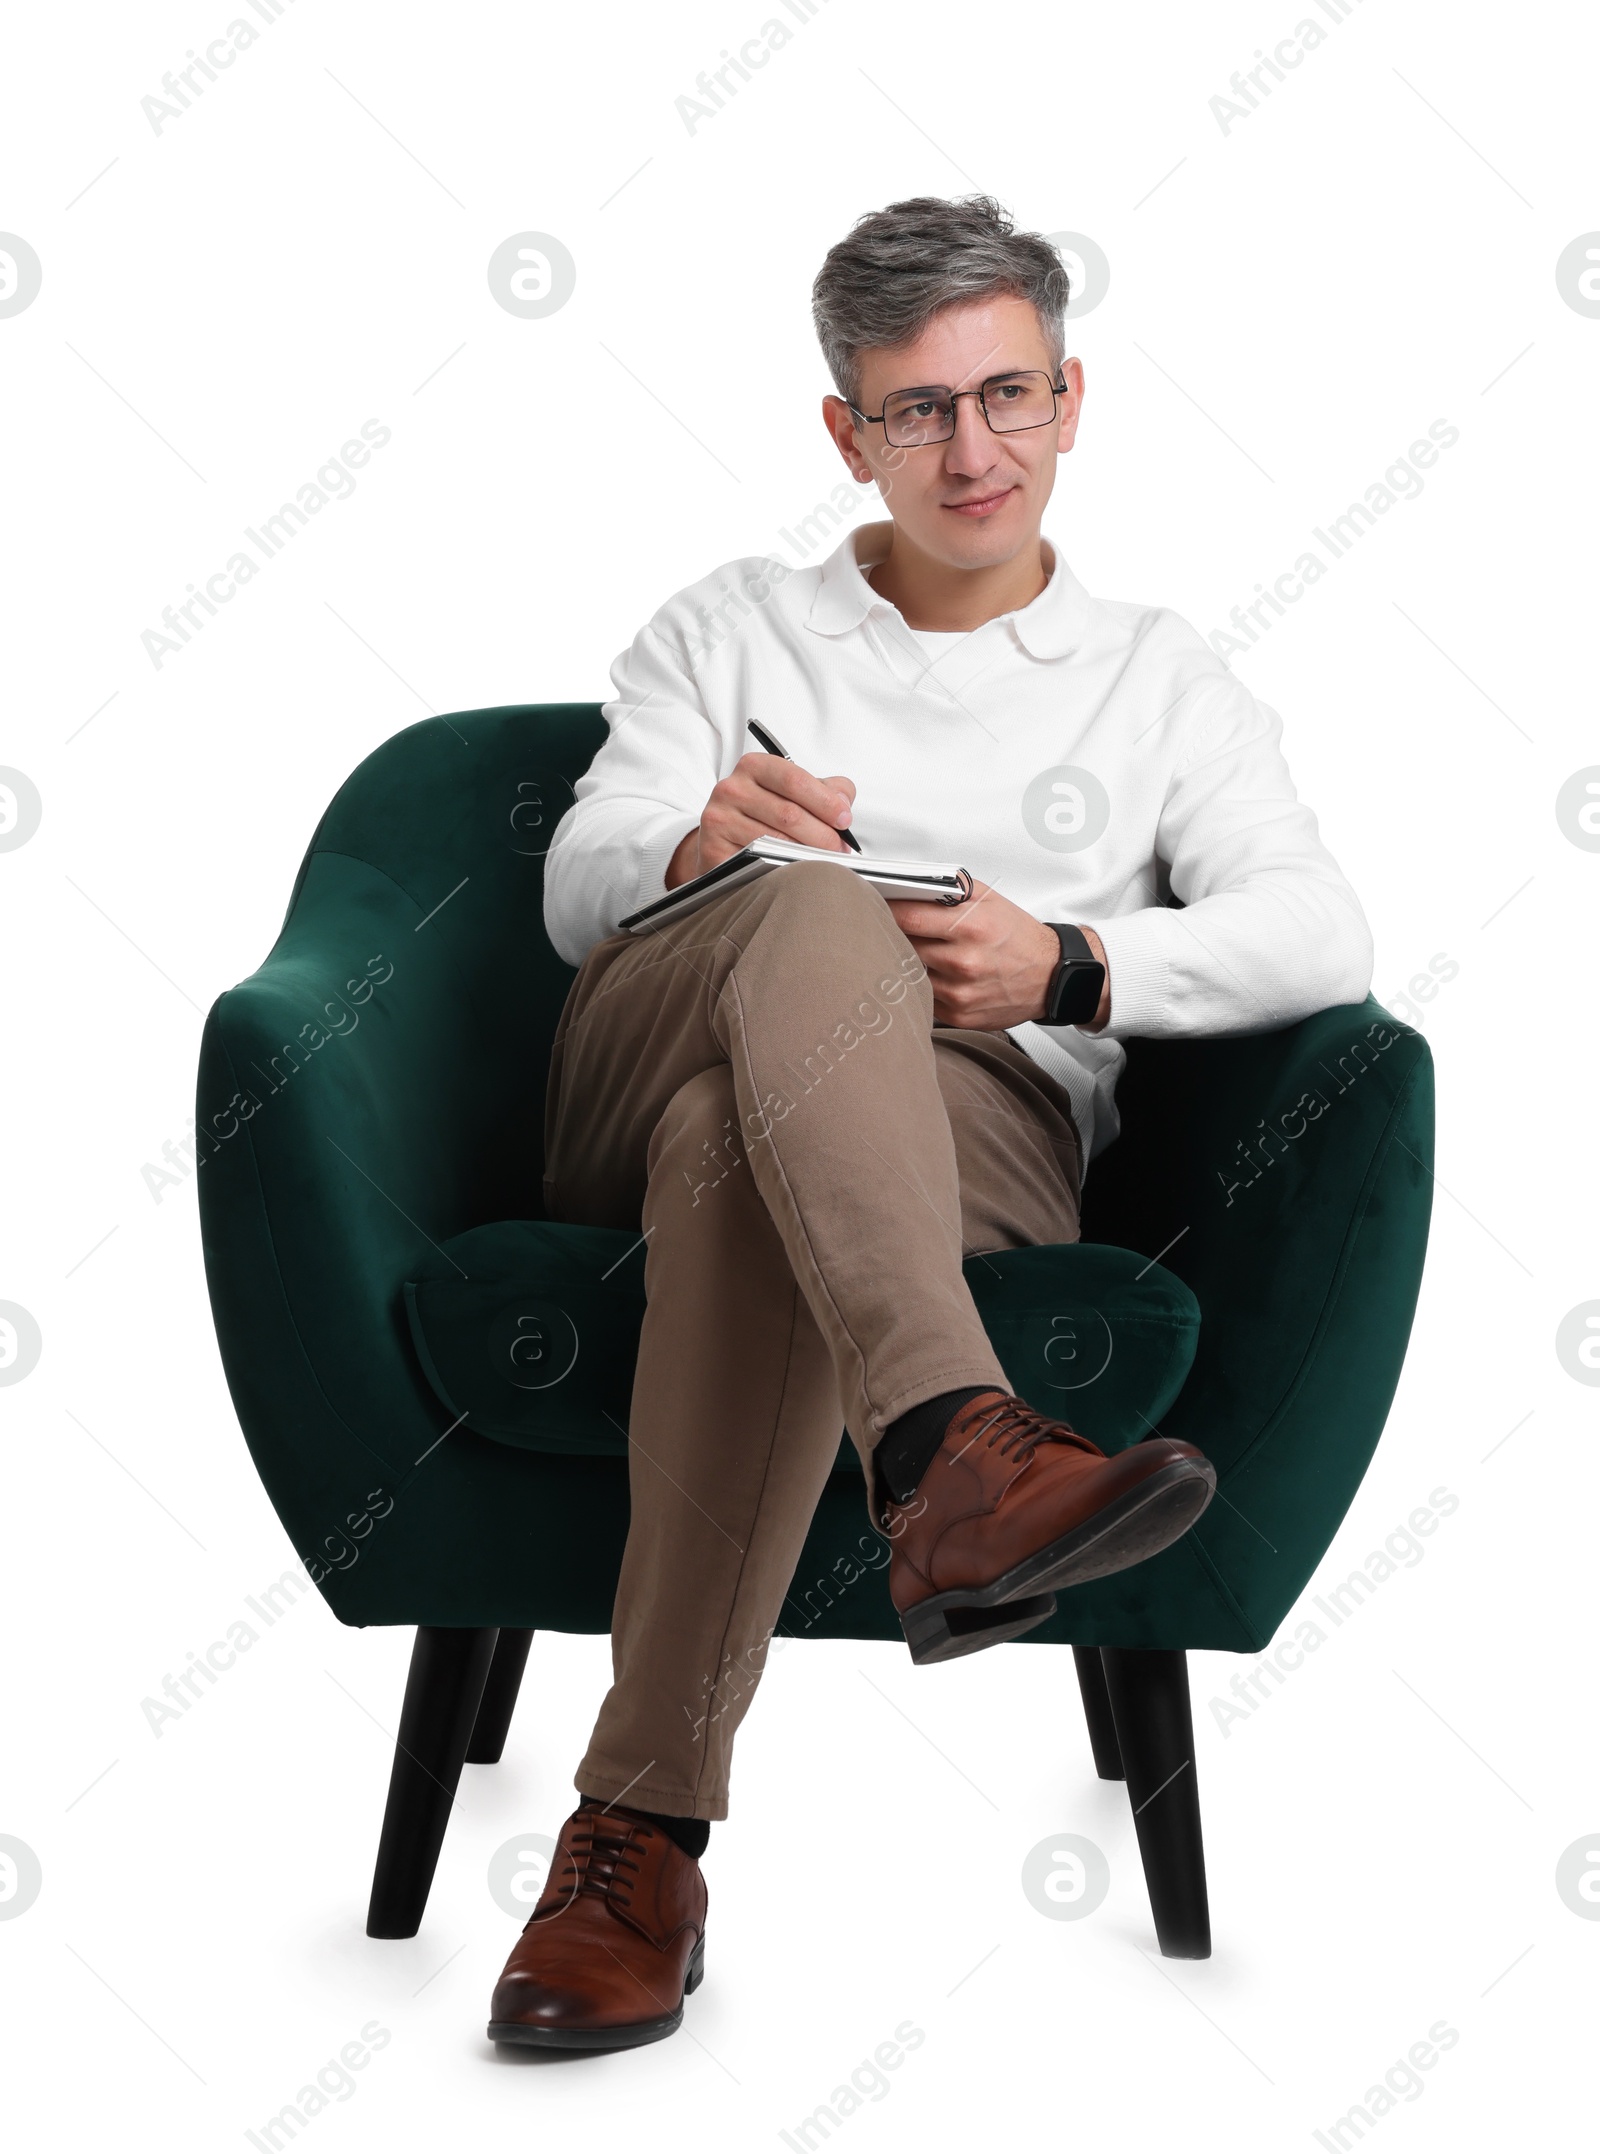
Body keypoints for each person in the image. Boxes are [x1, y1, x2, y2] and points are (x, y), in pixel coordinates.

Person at [486, 194, 1373, 2050]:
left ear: (1070, 399)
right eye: (916, 412)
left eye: (1007, 397)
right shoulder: (728, 626)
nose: (972, 451)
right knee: (806, 913)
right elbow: (574, 885)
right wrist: (697, 847)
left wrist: (1068, 968)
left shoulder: (1161, 677)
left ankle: (636, 1832)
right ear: (847, 433)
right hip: (649, 1042)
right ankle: (962, 1447)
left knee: (747, 1148)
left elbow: (1321, 931)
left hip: (962, 1127)